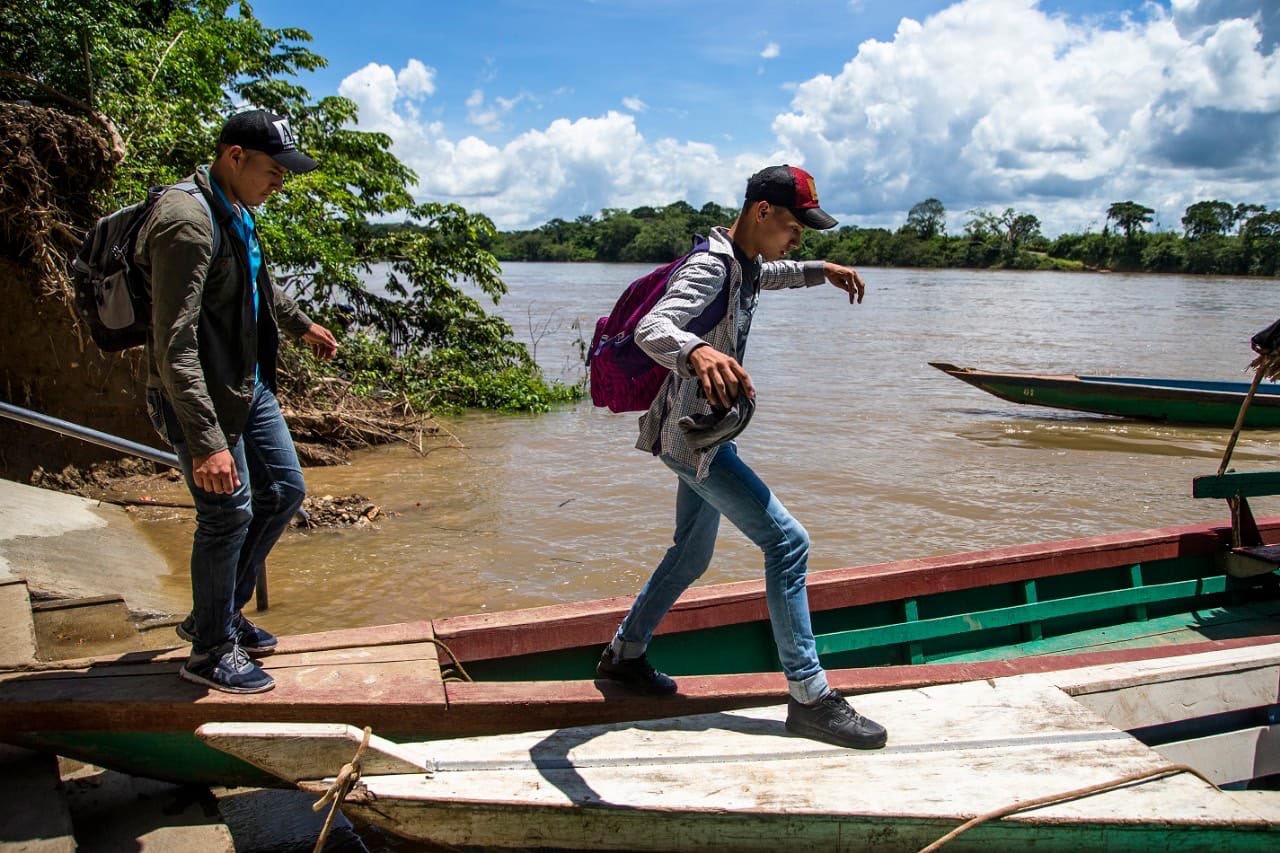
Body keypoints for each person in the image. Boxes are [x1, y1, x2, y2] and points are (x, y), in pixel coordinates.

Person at [595, 164, 888, 750]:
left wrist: (817, 271)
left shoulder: (740, 261)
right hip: (694, 438)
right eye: (794, 226)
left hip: (693, 434)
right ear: (760, 212)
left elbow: (767, 274)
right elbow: (656, 328)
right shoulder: (710, 266)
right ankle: (809, 696)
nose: (798, 238)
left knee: (690, 556)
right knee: (788, 541)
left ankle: (624, 657)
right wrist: (697, 349)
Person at [136, 109, 339, 694]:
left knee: (284, 491)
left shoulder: (239, 212)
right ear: (234, 157)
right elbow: (172, 343)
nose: (281, 182)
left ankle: (217, 614)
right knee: (227, 513)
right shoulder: (187, 222)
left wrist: (301, 324)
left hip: (245, 386)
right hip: (199, 397)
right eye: (274, 170)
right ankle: (209, 651)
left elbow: (259, 285)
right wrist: (206, 443)